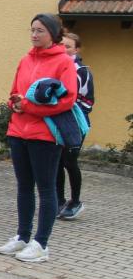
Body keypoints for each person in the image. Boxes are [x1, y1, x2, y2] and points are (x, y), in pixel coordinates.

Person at [0, 14, 77, 263]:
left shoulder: (64, 62)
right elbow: (14, 92)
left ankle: (41, 244)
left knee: (46, 188)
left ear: (52, 34)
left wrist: (29, 107)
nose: (34, 35)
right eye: (32, 30)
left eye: (40, 30)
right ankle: (22, 236)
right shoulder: (25, 59)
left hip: (45, 135)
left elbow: (67, 100)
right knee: (24, 186)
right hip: (18, 132)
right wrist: (14, 103)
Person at [56, 31, 93, 220]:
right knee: (56, 162)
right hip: (56, 122)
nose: (64, 49)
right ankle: (59, 201)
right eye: (61, 45)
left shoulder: (82, 71)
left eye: (68, 46)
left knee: (69, 162)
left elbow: (88, 102)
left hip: (75, 124)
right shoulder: (55, 66)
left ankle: (75, 201)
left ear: (76, 50)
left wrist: (68, 110)